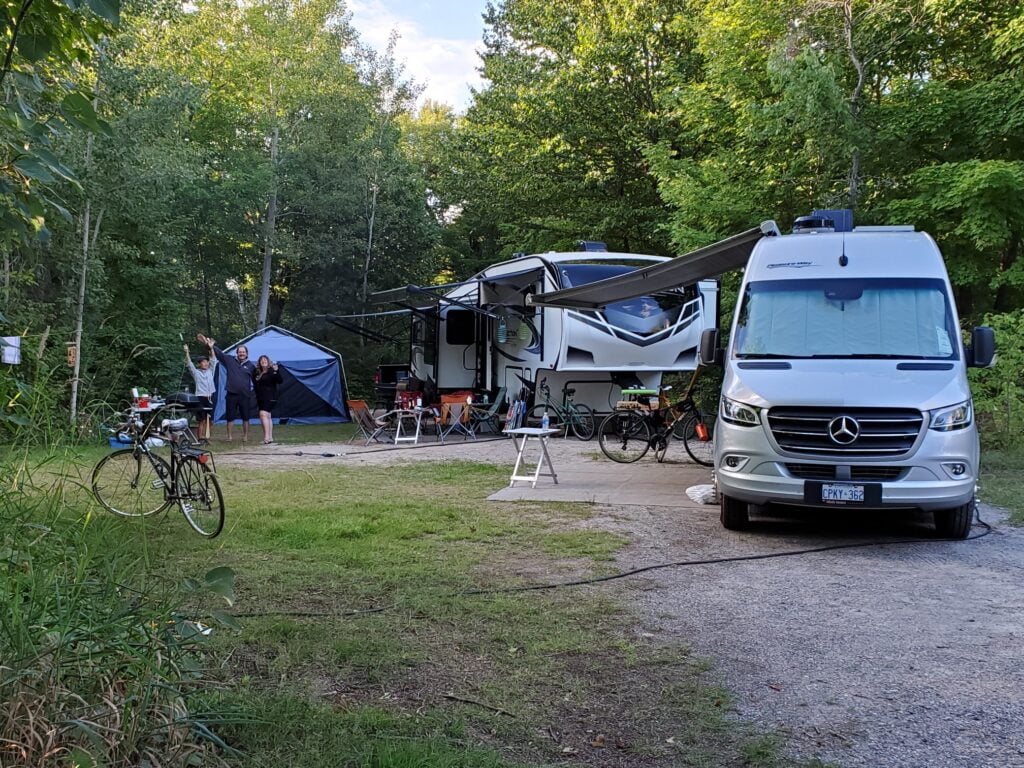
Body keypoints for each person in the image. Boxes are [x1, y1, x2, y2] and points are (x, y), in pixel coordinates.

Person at [197, 333, 256, 442]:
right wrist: (208, 344)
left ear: (247, 354)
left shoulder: (252, 366)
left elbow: (257, 380)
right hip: (231, 394)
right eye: (240, 352)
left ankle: (245, 436)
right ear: (237, 353)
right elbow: (219, 354)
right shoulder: (230, 360)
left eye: (243, 352)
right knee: (230, 416)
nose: (241, 353)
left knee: (246, 417)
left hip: (245, 395)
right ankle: (229, 437)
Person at [183, 342, 217, 443]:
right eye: (203, 362)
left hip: (210, 397)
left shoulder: (211, 371)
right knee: (201, 420)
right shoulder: (196, 373)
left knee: (210, 420)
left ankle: (207, 438)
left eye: (206, 361)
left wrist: (211, 348)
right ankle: (200, 438)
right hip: (200, 397)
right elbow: (189, 364)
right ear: (199, 364)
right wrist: (187, 352)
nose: (206, 363)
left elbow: (214, 360)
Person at [253, 354, 283, 444]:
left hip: (270, 397)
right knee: (268, 416)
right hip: (261, 397)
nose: (263, 361)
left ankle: (266, 438)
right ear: (259, 363)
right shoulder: (258, 372)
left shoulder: (271, 371)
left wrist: (276, 371)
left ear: (268, 361)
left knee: (263, 414)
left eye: (265, 360)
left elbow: (280, 381)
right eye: (261, 360)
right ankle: (270, 437)